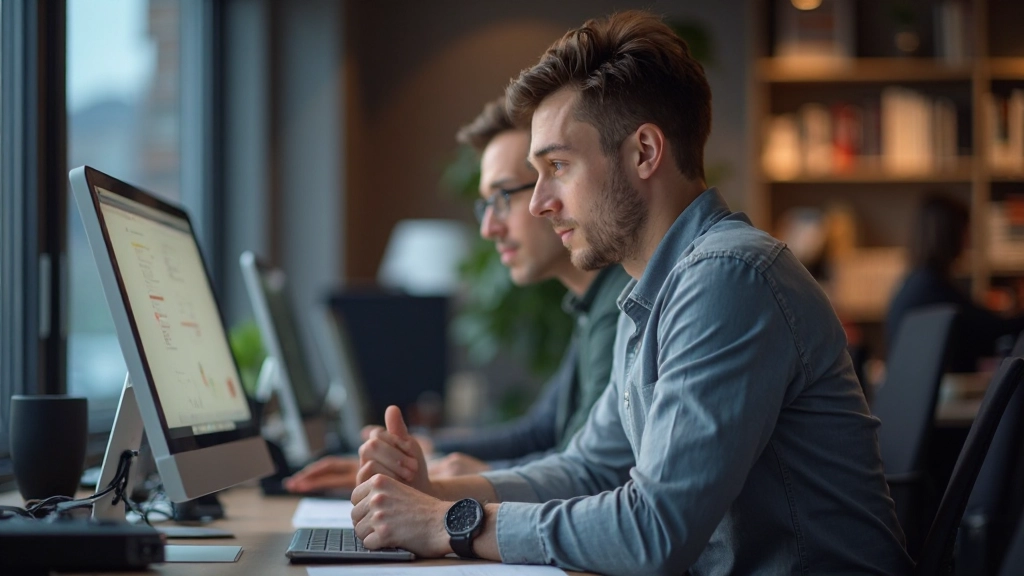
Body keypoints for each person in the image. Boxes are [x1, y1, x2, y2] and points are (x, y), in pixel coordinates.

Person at [348, 11, 913, 575]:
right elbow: (590, 469)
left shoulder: (728, 278)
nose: (540, 202)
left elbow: (656, 530)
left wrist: (450, 524)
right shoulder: (649, 291)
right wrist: (438, 493)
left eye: (558, 165)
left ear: (644, 151)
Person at [283, 97, 630, 493]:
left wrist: (457, 479)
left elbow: (589, 476)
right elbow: (539, 431)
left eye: (503, 197)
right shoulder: (591, 307)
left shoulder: (619, 306)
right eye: (486, 205)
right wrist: (428, 453)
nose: (489, 228)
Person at [888, 193, 1024, 371]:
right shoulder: (933, 288)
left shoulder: (917, 283)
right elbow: (991, 332)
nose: (969, 240)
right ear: (950, 233)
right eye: (966, 230)